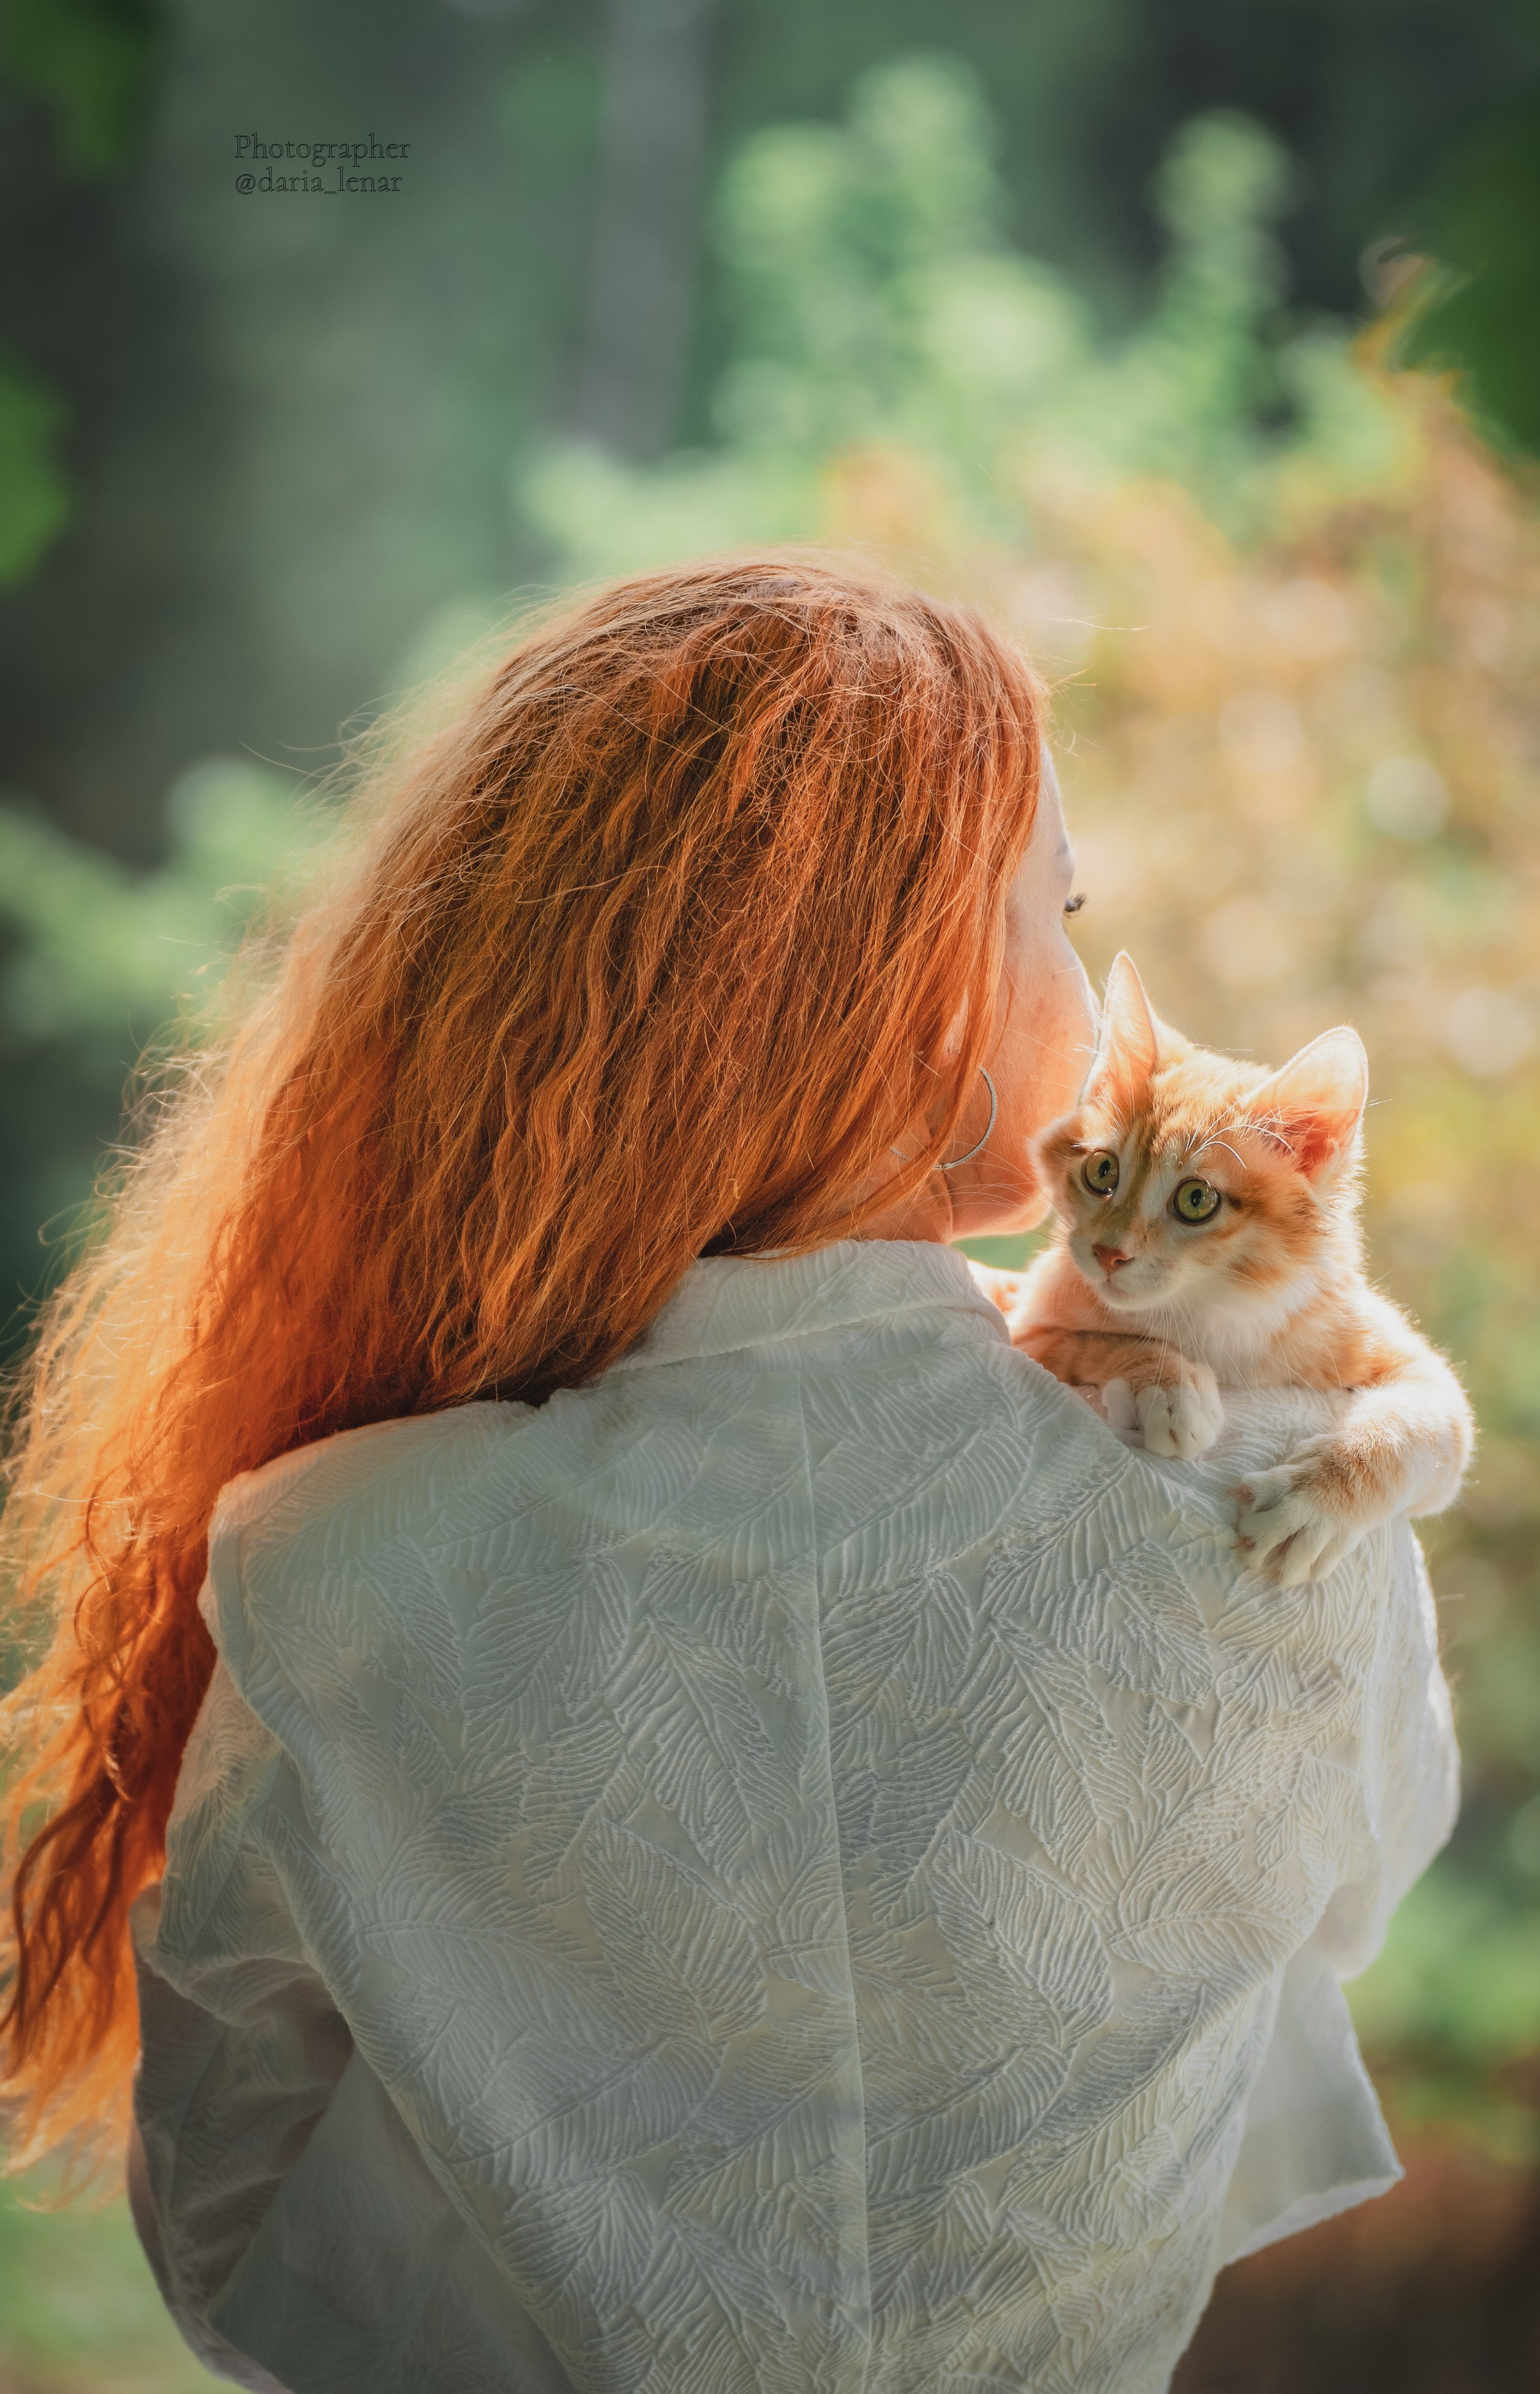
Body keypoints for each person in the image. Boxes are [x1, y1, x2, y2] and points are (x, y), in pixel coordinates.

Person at [0, 557, 1455, 2393]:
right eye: (1059, 915)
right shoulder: (1289, 1519)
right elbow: (1335, 1937)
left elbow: (224, 2223)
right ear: (911, 987)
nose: (1093, 994)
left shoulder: (334, 1560)